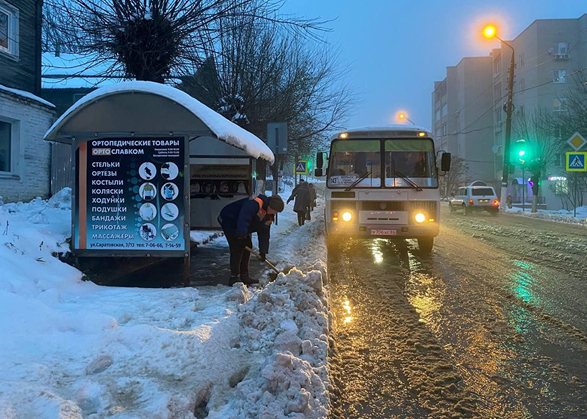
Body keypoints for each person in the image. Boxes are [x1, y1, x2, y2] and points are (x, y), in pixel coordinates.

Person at [218, 194, 285, 286]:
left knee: (247, 246)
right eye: (275, 211)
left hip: (240, 225)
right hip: (229, 219)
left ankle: (244, 276)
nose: (274, 213)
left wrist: (263, 251)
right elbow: (244, 218)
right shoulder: (255, 204)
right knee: (237, 248)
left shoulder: (268, 215)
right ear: (270, 206)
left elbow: (264, 233)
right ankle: (234, 277)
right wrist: (241, 237)